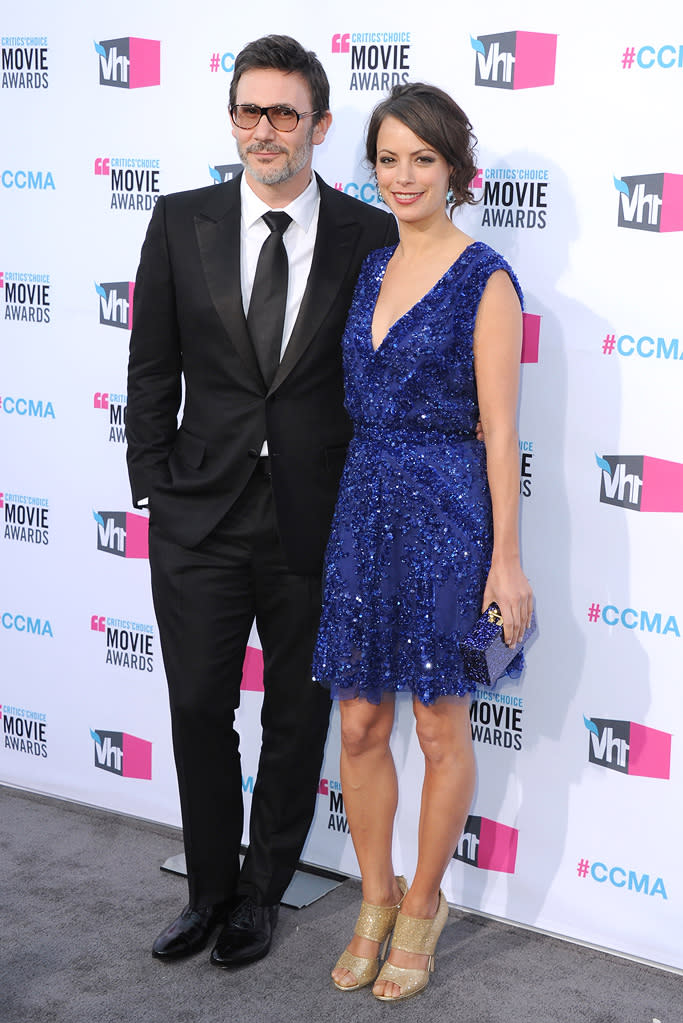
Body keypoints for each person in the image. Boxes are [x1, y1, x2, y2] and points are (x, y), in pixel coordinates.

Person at [125, 35, 397, 969]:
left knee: (295, 711)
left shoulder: (368, 234)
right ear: (231, 116)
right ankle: (207, 889)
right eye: (250, 110)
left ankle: (260, 892)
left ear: (320, 125)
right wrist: (155, 484)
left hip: (314, 515)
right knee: (199, 703)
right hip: (198, 512)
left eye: (286, 113)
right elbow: (152, 366)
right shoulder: (181, 219)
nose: (265, 130)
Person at [312, 82, 534, 1001]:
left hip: (446, 514)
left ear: (455, 170)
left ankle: (425, 902)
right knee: (359, 719)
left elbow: (499, 430)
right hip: (362, 506)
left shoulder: (484, 277)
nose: (403, 176)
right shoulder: (368, 267)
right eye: (389, 158)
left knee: (440, 723)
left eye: (423, 160)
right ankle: (375, 896)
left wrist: (506, 558)